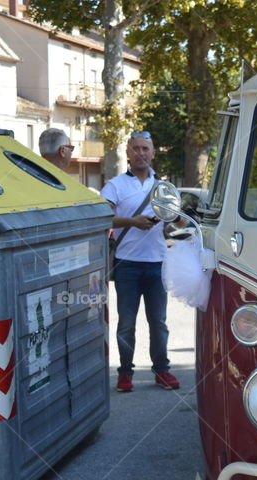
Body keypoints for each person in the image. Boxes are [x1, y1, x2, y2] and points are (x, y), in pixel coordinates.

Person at [102, 131, 180, 393]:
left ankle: (162, 371)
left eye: (145, 149)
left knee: (158, 322)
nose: (140, 153)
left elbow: (177, 221)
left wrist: (175, 220)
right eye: (135, 148)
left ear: (153, 153)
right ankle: (125, 373)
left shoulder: (164, 187)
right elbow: (101, 218)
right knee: (126, 323)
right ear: (127, 153)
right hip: (127, 264)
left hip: (158, 263)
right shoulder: (115, 185)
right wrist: (132, 222)